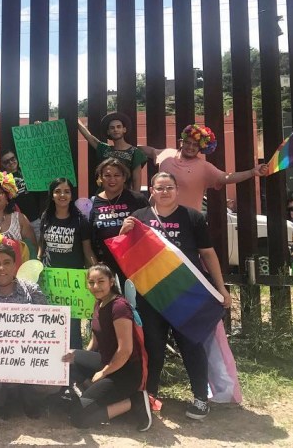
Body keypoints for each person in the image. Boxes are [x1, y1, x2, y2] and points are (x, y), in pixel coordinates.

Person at [119, 171, 231, 419]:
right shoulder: (139, 217)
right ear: (152, 190)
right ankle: (149, 395)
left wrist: (221, 288)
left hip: (185, 295)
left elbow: (208, 254)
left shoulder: (192, 217)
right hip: (151, 295)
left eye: (169, 187)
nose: (165, 192)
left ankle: (201, 397)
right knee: (153, 347)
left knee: (191, 345)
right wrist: (124, 231)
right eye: (160, 188)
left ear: (177, 190)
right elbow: (127, 254)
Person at [0, 243, 58, 420]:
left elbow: (49, 326)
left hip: (28, 359)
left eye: (6, 262)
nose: (1, 268)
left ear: (15, 265)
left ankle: (30, 398)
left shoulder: (31, 290)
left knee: (54, 379)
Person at [62, 264, 151, 431]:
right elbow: (95, 340)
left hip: (125, 372)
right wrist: (81, 360)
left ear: (111, 282)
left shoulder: (119, 307)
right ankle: (94, 393)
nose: (95, 286)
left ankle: (133, 401)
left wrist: (103, 373)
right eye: (91, 282)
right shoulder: (99, 303)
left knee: (78, 417)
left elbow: (125, 351)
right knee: (68, 356)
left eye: (100, 281)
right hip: (106, 361)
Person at [139, 124, 268, 212]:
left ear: (201, 147)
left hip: (186, 221)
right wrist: (124, 146)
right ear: (181, 142)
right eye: (188, 142)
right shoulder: (166, 154)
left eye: (195, 145)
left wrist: (252, 172)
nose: (190, 147)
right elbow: (150, 151)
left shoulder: (204, 167)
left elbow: (226, 177)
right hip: (156, 218)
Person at [38, 177, 94, 349]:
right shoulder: (45, 217)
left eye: (67, 191)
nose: (62, 195)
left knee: (73, 329)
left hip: (73, 284)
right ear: (52, 195)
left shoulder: (80, 221)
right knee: (50, 325)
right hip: (50, 279)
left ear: (72, 196)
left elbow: (87, 251)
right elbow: (42, 246)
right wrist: (37, 266)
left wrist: (95, 273)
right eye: (58, 191)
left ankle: (74, 371)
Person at [87, 158, 149, 279]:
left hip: (136, 266)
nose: (112, 179)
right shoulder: (94, 202)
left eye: (117, 175)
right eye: (107, 175)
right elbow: (90, 237)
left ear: (124, 178)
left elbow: (150, 229)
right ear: (100, 178)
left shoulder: (138, 199)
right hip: (107, 268)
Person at [77, 112, 146, 191]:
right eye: (112, 128)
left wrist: (136, 200)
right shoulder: (104, 149)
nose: (115, 129)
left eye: (118, 127)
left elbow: (136, 180)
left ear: (124, 129)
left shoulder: (135, 152)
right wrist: (77, 121)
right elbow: (90, 137)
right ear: (108, 132)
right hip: (104, 196)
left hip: (124, 197)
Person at [0, 149, 42, 232]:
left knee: (37, 244)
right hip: (15, 223)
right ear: (2, 164)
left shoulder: (28, 172)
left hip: (35, 219)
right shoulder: (2, 178)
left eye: (12, 159)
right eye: (6, 161)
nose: (11, 162)